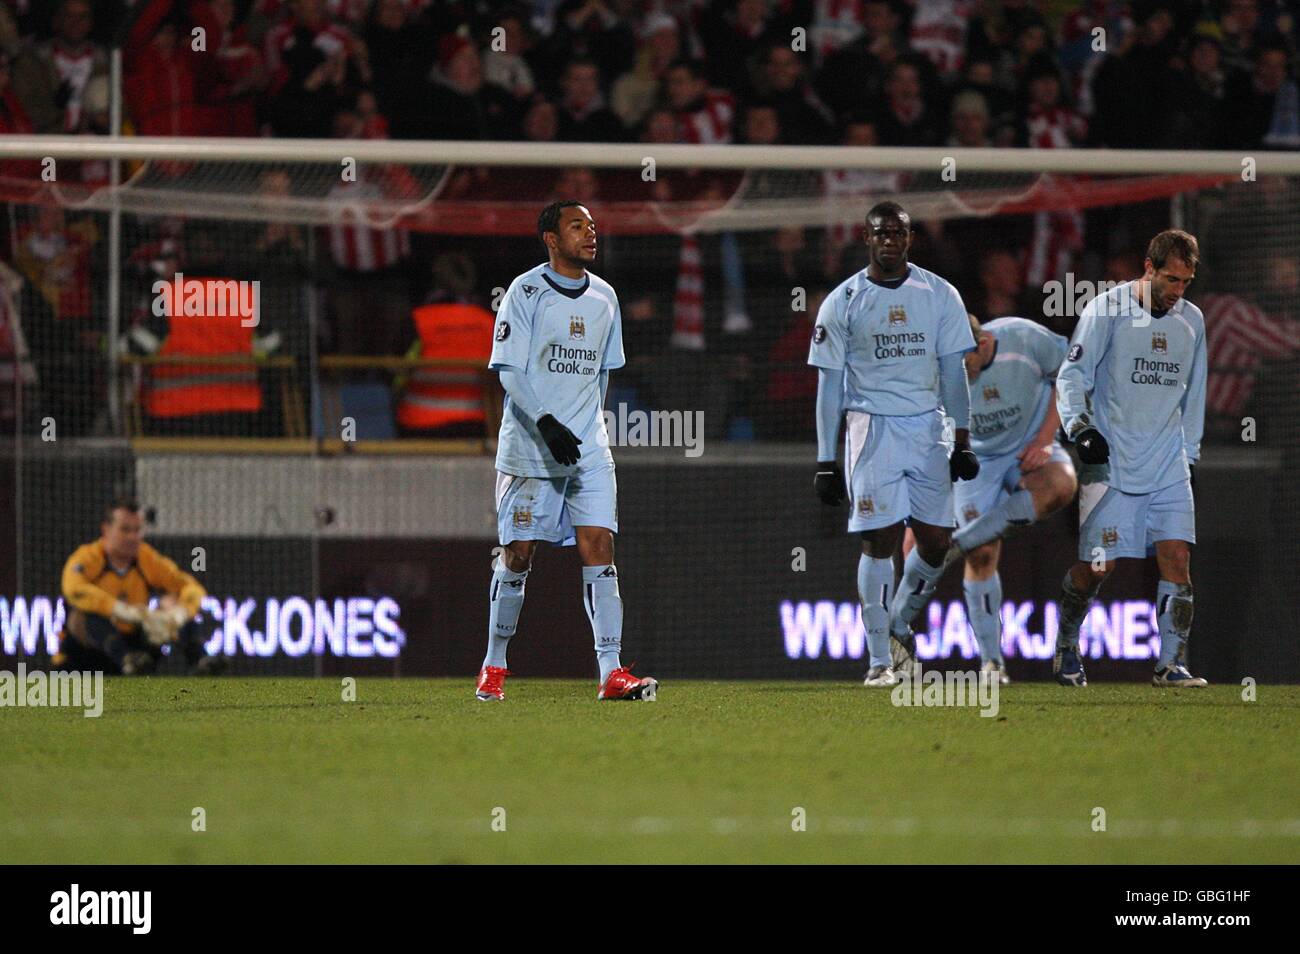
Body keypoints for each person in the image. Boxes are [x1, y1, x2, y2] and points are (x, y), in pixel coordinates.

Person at [478, 201, 658, 702]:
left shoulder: (605, 297)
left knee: (599, 546)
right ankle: (494, 664)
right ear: (551, 240)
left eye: (594, 226)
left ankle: (610, 672)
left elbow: (603, 372)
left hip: (586, 449)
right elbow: (508, 370)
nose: (590, 233)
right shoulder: (526, 291)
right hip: (531, 449)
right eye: (577, 226)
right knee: (519, 555)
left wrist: (585, 427)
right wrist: (547, 422)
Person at [809, 201, 979, 688]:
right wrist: (825, 460)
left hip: (928, 427)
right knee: (880, 539)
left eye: (898, 233)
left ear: (909, 238)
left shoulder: (939, 294)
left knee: (936, 541)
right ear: (867, 237)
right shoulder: (842, 301)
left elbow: (953, 371)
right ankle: (880, 659)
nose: (890, 241)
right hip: (872, 427)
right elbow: (829, 386)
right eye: (881, 233)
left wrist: (963, 438)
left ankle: (900, 618)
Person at [1053, 229, 1207, 687]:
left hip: (1166, 461)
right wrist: (1080, 429)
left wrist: (1190, 456)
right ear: (1148, 268)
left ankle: (1170, 663)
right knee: (1098, 568)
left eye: (1186, 282)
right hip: (1110, 461)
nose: (1178, 292)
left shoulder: (1192, 321)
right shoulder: (1107, 310)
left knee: (1176, 557)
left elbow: (1194, 393)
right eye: (1171, 280)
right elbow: (1072, 374)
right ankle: (1066, 644)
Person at [945, 314, 1078, 682]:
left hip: (1028, 450)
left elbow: (1070, 372)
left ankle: (964, 539)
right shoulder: (943, 367)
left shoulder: (1024, 338)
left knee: (1062, 484)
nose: (960, 372)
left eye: (965, 362)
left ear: (983, 345)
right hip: (978, 460)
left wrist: (1045, 438)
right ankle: (992, 663)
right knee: (982, 553)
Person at [57, 499, 221, 676]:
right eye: (125, 530)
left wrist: (179, 613)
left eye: (138, 530)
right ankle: (126, 660)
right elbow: (73, 588)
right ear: (106, 529)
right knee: (82, 615)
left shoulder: (146, 558)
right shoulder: (88, 557)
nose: (133, 537)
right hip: (86, 656)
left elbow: (190, 586)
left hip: (136, 646)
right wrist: (119, 609)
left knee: (172, 601)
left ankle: (200, 660)